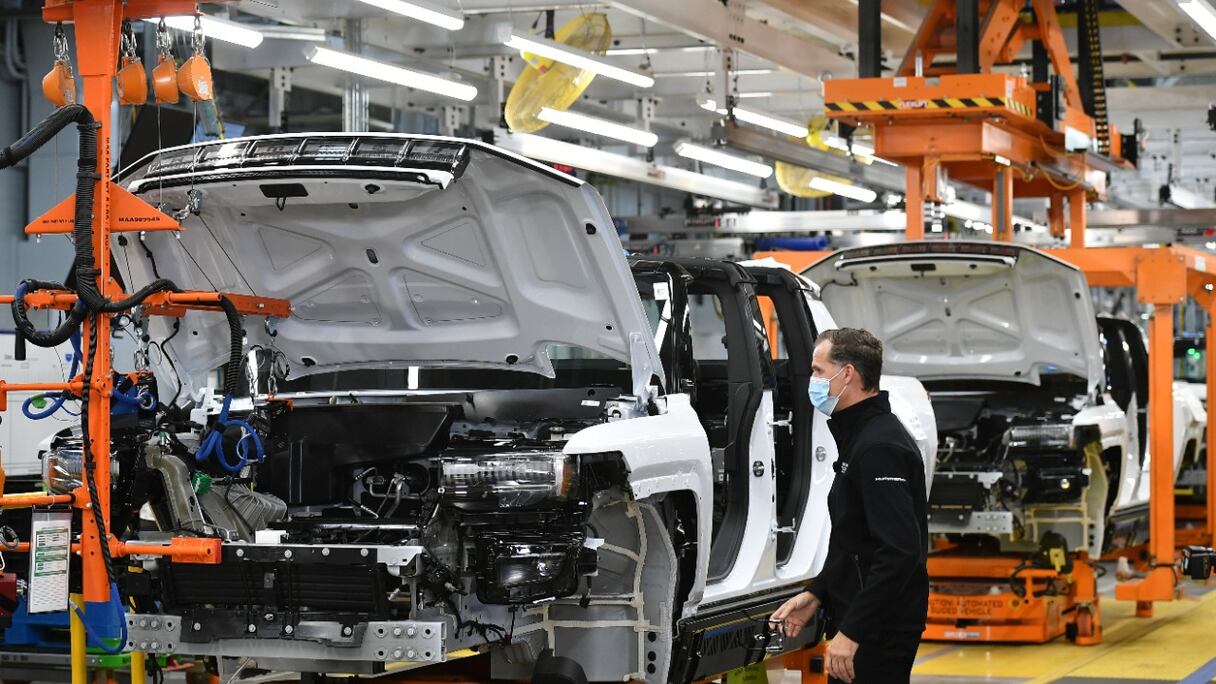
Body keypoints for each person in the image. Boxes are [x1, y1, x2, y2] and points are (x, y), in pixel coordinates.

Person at [770, 328, 928, 684]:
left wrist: (854, 631)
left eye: (818, 370)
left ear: (848, 375)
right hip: (863, 617)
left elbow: (900, 552)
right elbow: (854, 542)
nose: (812, 380)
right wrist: (817, 592)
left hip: (880, 629)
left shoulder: (879, 447)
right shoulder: (859, 437)